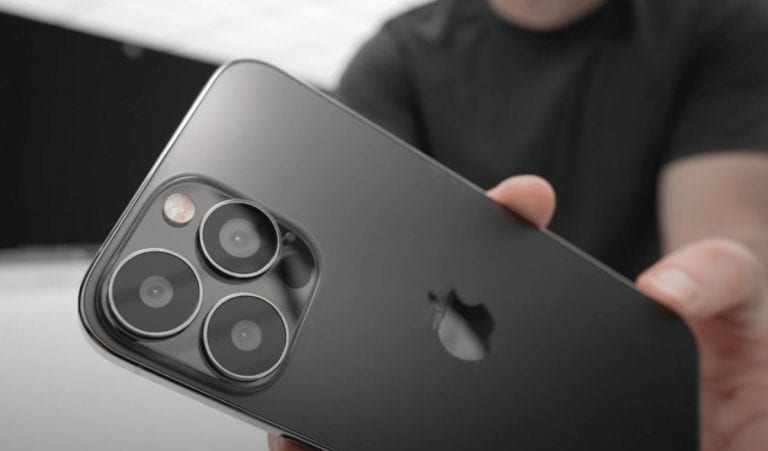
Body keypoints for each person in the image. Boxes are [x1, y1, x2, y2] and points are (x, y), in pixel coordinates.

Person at [271, 0, 768, 449]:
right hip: (460, 410)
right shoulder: (395, 55)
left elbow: (721, 254)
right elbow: (366, 280)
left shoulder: (722, 22)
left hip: (651, 402)